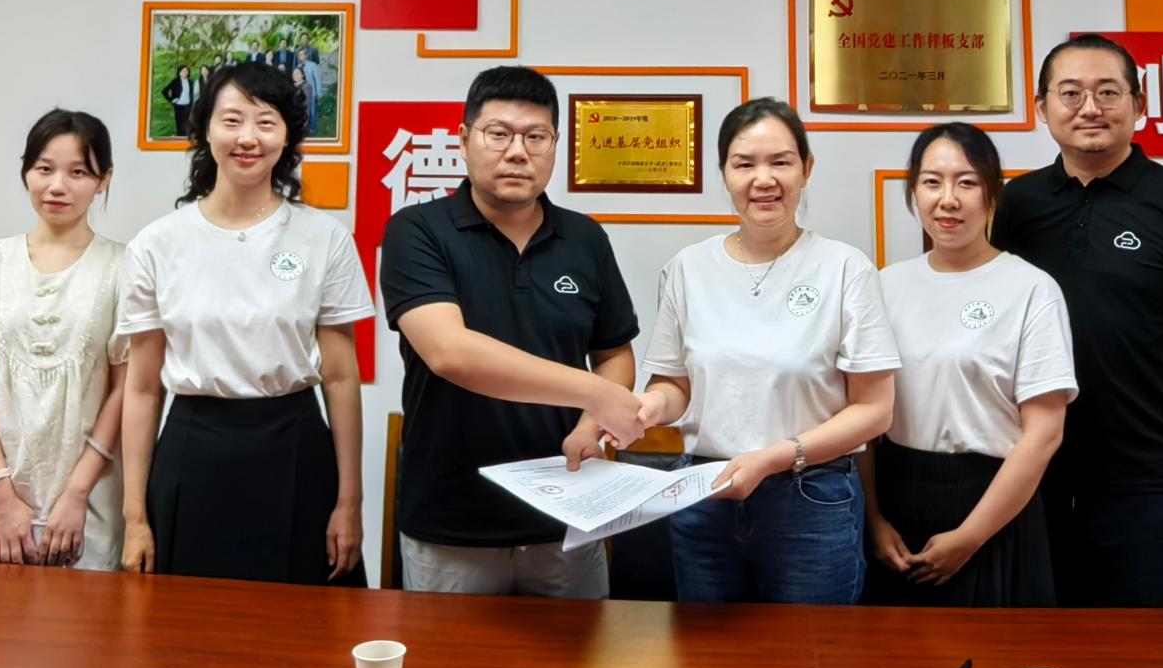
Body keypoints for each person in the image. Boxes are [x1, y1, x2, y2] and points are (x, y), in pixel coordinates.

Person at [992, 33, 1163, 608]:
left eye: (1108, 92)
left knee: (1149, 648)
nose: (1090, 107)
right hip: (1034, 469)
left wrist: (1153, 388)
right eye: (1071, 93)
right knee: (1039, 639)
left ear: (1139, 104)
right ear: (1042, 108)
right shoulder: (1015, 205)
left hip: (1150, 477)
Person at [379, 65, 646, 598]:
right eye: (498, 134)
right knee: (447, 657)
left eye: (536, 137)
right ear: (464, 140)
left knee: (582, 654)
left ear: (554, 146)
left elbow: (614, 352)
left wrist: (592, 423)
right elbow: (450, 352)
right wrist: (595, 393)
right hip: (452, 523)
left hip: (567, 518)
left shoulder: (585, 239)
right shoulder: (418, 230)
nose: (518, 152)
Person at [116, 60, 374, 586]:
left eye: (266, 122)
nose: (248, 138)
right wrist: (135, 516)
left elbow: (341, 377)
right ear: (205, 129)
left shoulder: (323, 238)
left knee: (307, 623)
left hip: (296, 449)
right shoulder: (157, 244)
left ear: (288, 136)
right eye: (232, 120)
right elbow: (141, 389)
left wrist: (350, 501)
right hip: (193, 450)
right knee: (185, 623)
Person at [638, 98, 900, 605]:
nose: (764, 179)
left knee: (811, 650)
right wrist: (649, 407)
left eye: (780, 162)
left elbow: (875, 409)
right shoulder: (688, 268)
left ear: (806, 169)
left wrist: (775, 457)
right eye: (744, 164)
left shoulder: (845, 268)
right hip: (705, 492)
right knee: (708, 648)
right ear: (724, 172)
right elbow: (674, 386)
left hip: (810, 497)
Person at [861, 123, 1074, 607]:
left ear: (993, 193)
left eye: (967, 182)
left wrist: (969, 537)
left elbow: (1044, 434)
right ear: (913, 192)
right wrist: (874, 520)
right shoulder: (884, 286)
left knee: (994, 650)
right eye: (931, 182)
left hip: (995, 505)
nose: (948, 200)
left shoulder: (1031, 289)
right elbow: (863, 416)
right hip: (897, 503)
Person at [0, 109, 127, 569]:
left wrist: (77, 493)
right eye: (44, 168)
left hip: (86, 496)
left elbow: (123, 392)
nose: (57, 186)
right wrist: (0, 496)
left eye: (79, 172)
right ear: (26, 172)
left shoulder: (124, 269)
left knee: (83, 613)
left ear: (104, 180)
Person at [161, 64, 197, 138]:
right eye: (183, 71)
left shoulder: (190, 81)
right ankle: (179, 136)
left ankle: (187, 136)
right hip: (178, 105)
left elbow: (193, 93)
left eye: (186, 71)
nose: (185, 72)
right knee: (179, 122)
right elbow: (164, 91)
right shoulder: (175, 81)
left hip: (188, 105)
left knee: (187, 122)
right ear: (179, 72)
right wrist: (171, 100)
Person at [297, 42, 322, 135]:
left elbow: (318, 80)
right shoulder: (299, 66)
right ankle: (304, 129)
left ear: (306, 55)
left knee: (312, 111)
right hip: (302, 93)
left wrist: (319, 93)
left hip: (312, 93)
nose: (301, 56)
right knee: (303, 111)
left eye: (302, 54)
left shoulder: (313, 65)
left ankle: (312, 130)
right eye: (299, 55)